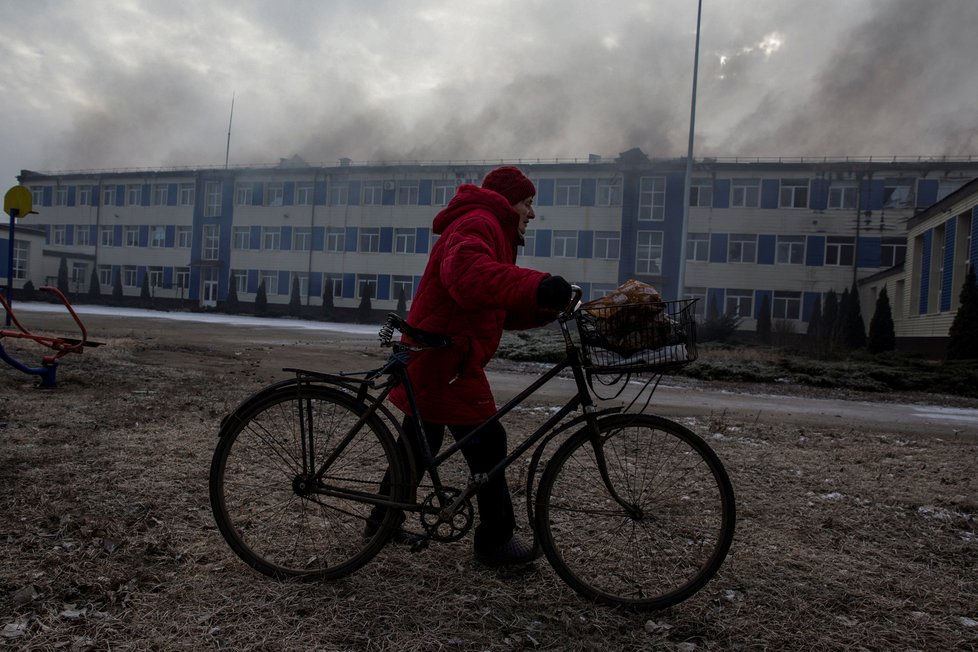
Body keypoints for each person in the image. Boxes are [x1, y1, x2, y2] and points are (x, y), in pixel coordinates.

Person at [369, 165, 572, 566]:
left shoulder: (489, 229)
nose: (532, 213)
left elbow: (494, 303)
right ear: (508, 202)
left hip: (442, 353)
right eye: (528, 203)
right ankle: (494, 542)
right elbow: (466, 276)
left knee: (418, 440)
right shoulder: (478, 223)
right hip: (446, 356)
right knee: (488, 441)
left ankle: (383, 520)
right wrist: (537, 284)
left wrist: (545, 304)